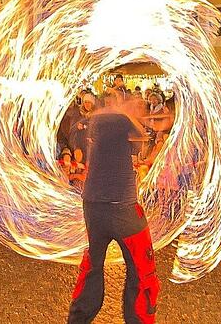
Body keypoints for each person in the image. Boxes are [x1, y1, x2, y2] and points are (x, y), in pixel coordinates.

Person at [68, 95, 158, 324]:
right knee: (141, 270)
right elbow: (142, 142)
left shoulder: (97, 124)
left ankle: (78, 319)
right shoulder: (123, 123)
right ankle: (138, 320)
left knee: (93, 265)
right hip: (123, 210)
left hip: (93, 207)